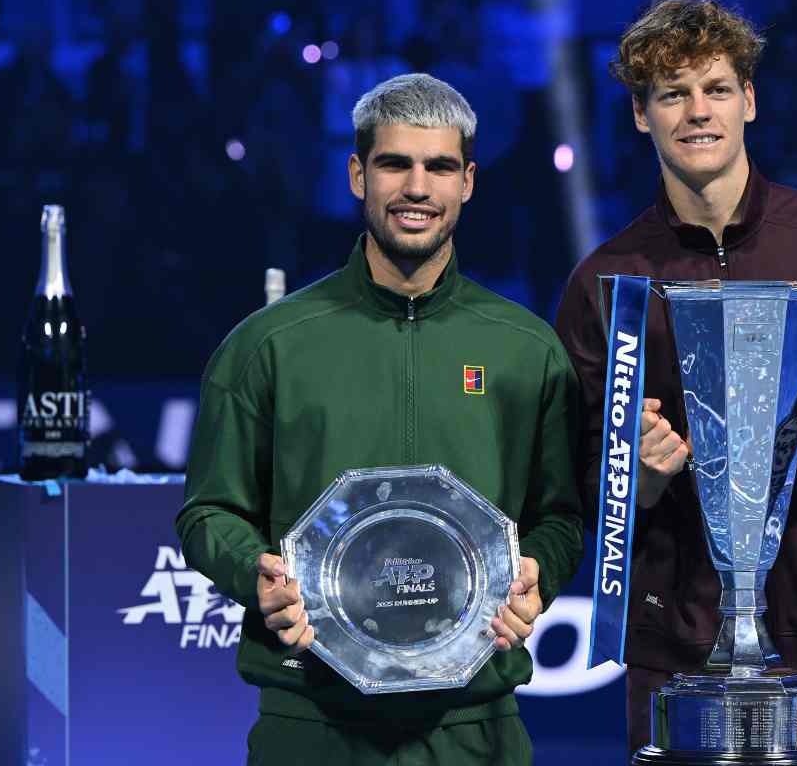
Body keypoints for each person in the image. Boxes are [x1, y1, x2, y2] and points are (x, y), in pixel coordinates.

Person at [554, 0, 797, 766]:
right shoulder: (607, 281)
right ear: (642, 117)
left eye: (715, 89)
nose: (696, 112)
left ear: (750, 101)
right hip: (678, 647)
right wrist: (630, 479)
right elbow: (577, 484)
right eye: (672, 94)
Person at [176, 73, 583, 766]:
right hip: (311, 719)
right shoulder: (269, 344)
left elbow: (563, 515)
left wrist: (538, 571)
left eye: (440, 167)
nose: (417, 187)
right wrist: (259, 576)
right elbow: (207, 512)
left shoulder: (526, 349)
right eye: (395, 164)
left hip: (476, 725)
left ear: (469, 182)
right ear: (359, 174)